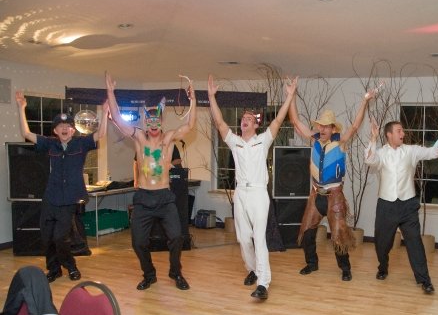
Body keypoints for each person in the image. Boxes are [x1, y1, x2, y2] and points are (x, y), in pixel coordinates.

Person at [207, 74, 297, 300]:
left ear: (256, 124)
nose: (244, 120)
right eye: (243, 118)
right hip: (241, 193)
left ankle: (263, 283)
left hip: (258, 193)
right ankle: (253, 269)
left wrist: (289, 96)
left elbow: (278, 121)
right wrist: (211, 97)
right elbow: (220, 123)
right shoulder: (235, 142)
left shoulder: (263, 140)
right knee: (244, 238)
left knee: (259, 237)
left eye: (249, 118)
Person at [105, 72, 196, 291]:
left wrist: (193, 100)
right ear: (146, 123)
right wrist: (110, 92)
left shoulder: (169, 139)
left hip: (164, 197)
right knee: (138, 242)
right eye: (149, 120)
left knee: (177, 237)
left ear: (161, 122)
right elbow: (117, 118)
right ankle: (149, 274)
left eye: (157, 120)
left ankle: (175, 272)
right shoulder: (139, 138)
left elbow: (190, 125)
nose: (153, 124)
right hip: (144, 198)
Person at [16, 91, 109, 283]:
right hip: (50, 198)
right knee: (47, 237)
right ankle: (54, 269)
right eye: (61, 126)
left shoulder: (81, 144)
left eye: (68, 126)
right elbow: (26, 133)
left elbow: (101, 134)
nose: (65, 128)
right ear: (56, 131)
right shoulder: (50, 145)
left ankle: (71, 267)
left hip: (69, 201)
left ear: (73, 130)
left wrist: (105, 112)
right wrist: (21, 108)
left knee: (60, 237)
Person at [288, 87, 377, 281]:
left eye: (326, 126)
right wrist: (292, 95)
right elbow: (295, 121)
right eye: (320, 125)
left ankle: (345, 268)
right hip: (315, 195)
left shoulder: (341, 142)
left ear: (333, 129)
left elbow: (355, 125)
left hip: (334, 197)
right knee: (307, 232)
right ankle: (312, 263)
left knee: (338, 235)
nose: (322, 129)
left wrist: (365, 101)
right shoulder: (314, 140)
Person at [364, 117, 438, 293]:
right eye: (399, 131)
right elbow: (369, 160)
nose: (403, 133)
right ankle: (383, 267)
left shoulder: (411, 151)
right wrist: (373, 138)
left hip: (408, 205)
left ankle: (424, 280)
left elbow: (433, 152)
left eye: (402, 130)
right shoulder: (381, 153)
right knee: (382, 243)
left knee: (415, 243)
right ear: (389, 135)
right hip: (386, 205)